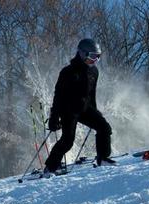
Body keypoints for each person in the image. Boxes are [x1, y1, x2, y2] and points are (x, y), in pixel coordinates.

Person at [44, 38, 114, 173]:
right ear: (82, 54)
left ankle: (103, 158)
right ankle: (51, 166)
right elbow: (58, 96)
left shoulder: (94, 72)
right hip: (68, 110)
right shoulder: (68, 72)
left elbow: (91, 94)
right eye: (92, 56)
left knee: (104, 128)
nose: (95, 60)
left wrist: (96, 112)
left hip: (85, 109)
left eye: (98, 57)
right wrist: (54, 118)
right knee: (68, 141)